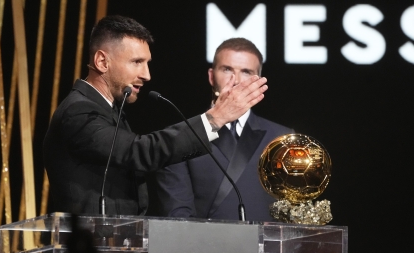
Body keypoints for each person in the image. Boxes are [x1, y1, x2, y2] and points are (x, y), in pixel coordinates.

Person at [43, 16, 267, 215]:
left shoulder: (109, 110)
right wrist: (215, 118)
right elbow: (139, 151)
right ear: (103, 62)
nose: (147, 75)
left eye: (147, 63)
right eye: (137, 62)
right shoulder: (78, 111)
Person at [148, 38, 294, 253]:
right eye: (227, 69)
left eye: (247, 72)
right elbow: (179, 220)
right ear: (211, 75)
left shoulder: (282, 139)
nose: (236, 80)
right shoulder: (179, 139)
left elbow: (290, 224)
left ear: (260, 82)